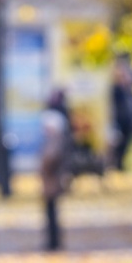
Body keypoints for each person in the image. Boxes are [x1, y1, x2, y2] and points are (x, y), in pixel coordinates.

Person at [39, 90, 73, 252]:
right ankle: (53, 242)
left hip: (52, 181)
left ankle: (53, 243)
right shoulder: (56, 139)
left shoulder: (55, 141)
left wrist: (44, 167)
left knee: (52, 213)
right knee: (50, 213)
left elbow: (50, 160)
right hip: (51, 181)